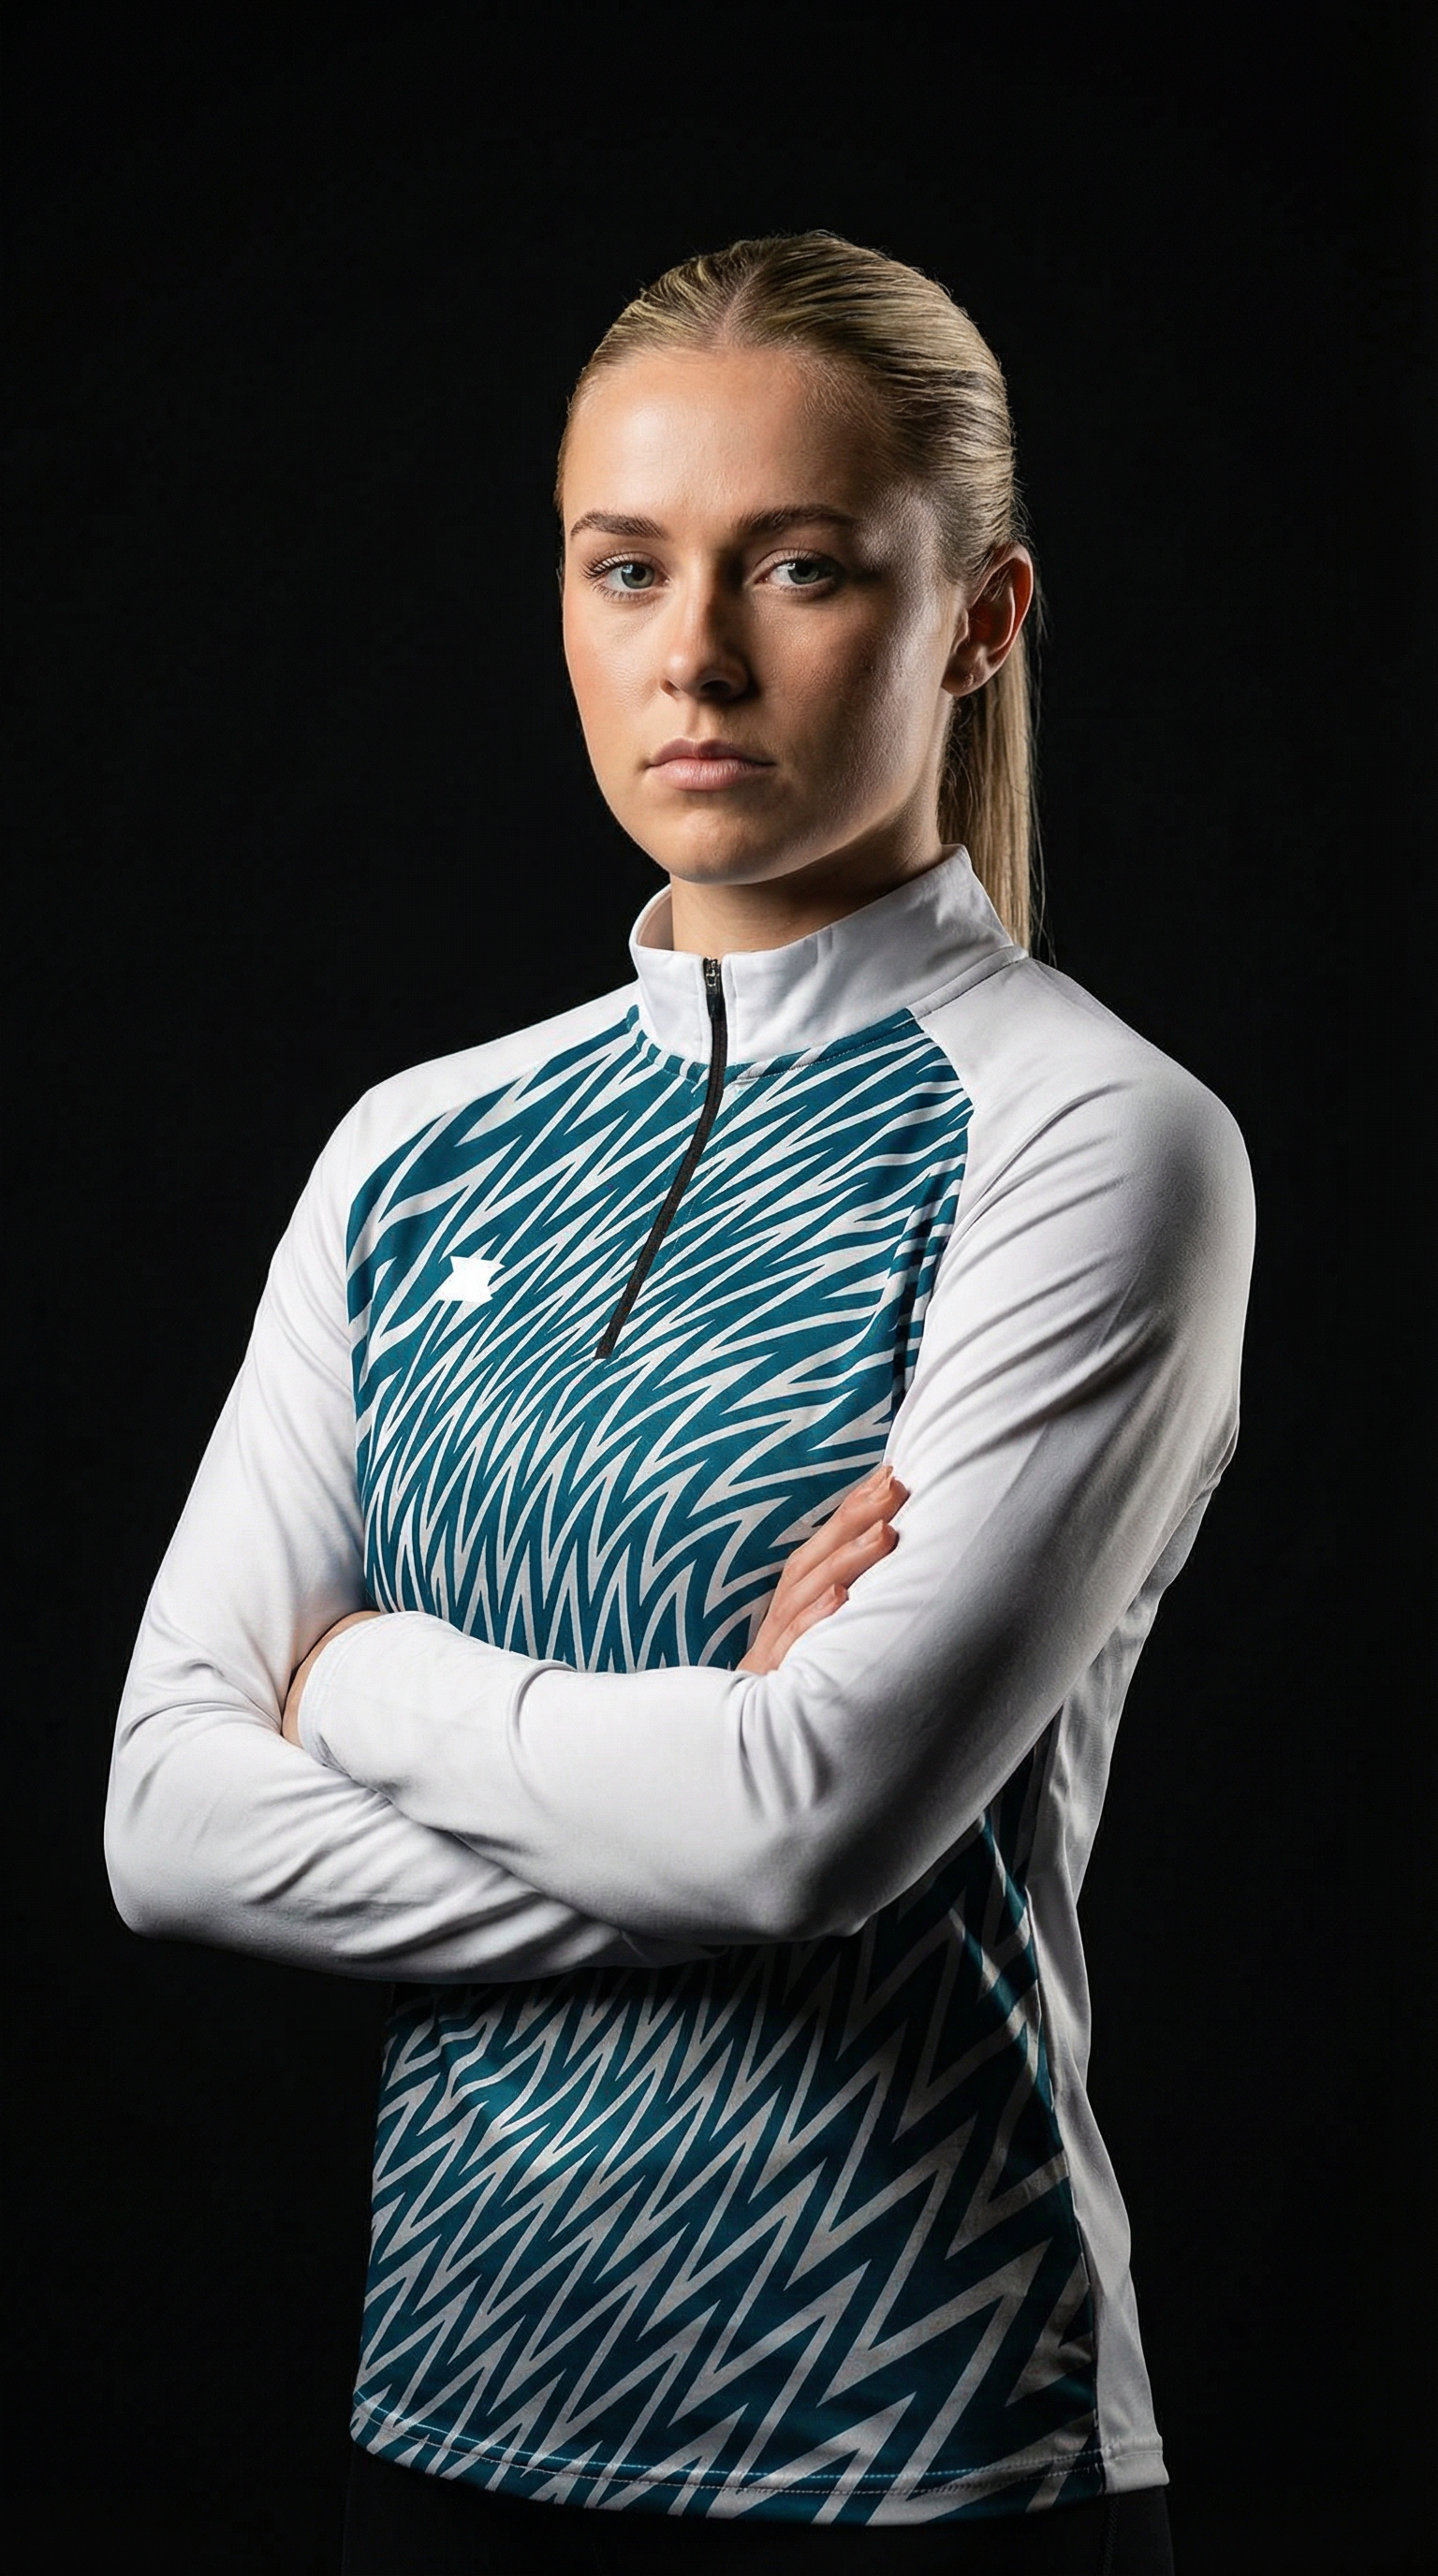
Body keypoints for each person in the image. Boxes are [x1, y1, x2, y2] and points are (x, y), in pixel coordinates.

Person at [106, 233, 1254, 2573]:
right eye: (627, 566)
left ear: (982, 619)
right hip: (447, 2412)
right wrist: (707, 1802)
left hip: (919, 2437)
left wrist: (358, 1678)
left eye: (800, 566)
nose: (695, 654)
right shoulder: (412, 1144)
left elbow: (802, 1825)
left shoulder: (1099, 1138)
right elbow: (166, 1821)